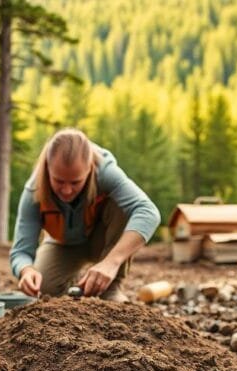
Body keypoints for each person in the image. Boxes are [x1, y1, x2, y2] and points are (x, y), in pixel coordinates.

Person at [9, 128, 161, 301]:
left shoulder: (104, 170)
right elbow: (20, 251)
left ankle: (110, 289)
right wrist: (26, 270)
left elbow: (148, 212)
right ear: (47, 168)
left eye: (75, 182)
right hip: (62, 244)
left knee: (125, 206)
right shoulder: (34, 189)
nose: (66, 190)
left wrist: (111, 263)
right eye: (58, 181)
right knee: (44, 289)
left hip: (104, 240)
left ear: (89, 169)